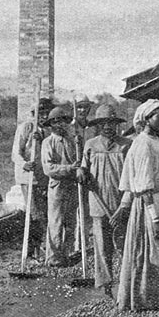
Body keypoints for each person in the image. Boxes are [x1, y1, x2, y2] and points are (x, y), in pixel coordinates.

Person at [113, 99, 159, 311]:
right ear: (146, 119)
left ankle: (154, 297)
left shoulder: (154, 141)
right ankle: (142, 298)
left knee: (158, 251)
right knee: (147, 251)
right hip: (149, 205)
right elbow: (143, 185)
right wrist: (154, 219)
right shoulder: (143, 144)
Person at [79, 105, 132, 297]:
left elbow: (131, 174)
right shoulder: (90, 145)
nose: (108, 127)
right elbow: (84, 168)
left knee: (124, 242)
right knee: (102, 246)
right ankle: (106, 284)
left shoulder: (126, 145)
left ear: (116, 125)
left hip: (120, 203)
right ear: (98, 126)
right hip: (98, 201)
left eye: (111, 123)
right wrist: (81, 172)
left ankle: (127, 282)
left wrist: (125, 204)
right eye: (103, 124)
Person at [11, 97, 54, 259]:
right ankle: (33, 251)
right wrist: (24, 164)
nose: (43, 116)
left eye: (45, 113)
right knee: (36, 214)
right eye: (39, 113)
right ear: (33, 114)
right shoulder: (26, 127)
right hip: (28, 178)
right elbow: (16, 152)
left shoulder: (49, 130)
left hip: (45, 178)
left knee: (45, 213)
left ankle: (42, 248)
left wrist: (41, 139)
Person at [41, 106, 83, 267]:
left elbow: (78, 161)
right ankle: (53, 257)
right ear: (51, 124)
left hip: (72, 185)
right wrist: (69, 168)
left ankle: (66, 253)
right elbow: (48, 168)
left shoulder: (73, 141)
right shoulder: (48, 142)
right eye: (56, 122)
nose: (60, 125)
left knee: (70, 221)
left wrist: (80, 144)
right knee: (56, 221)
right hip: (57, 186)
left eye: (63, 121)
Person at [71, 93, 95, 254]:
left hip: (90, 172)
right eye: (79, 106)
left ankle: (84, 243)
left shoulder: (92, 128)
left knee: (87, 210)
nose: (82, 110)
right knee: (74, 211)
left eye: (85, 107)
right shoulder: (70, 128)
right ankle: (75, 245)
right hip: (73, 173)